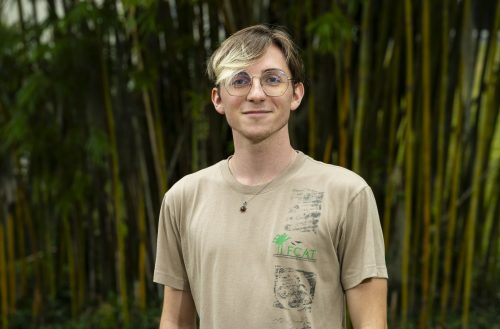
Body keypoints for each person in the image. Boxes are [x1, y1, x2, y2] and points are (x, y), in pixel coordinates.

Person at [154, 24, 388, 329]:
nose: (256, 94)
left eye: (272, 79)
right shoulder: (184, 198)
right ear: (218, 99)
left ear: (295, 94)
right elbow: (174, 321)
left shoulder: (346, 193)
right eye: (239, 81)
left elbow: (371, 323)